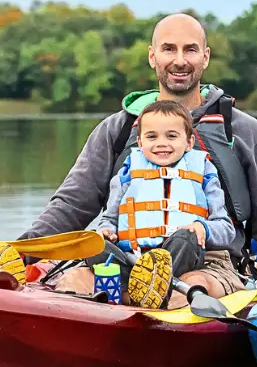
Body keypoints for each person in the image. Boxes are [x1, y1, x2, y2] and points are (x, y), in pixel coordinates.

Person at [0, 13, 257, 309]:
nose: (180, 60)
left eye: (190, 49)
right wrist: (20, 251)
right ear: (153, 56)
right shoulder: (119, 128)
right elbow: (71, 206)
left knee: (182, 291)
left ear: (206, 57)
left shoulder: (243, 131)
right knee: (75, 279)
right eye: (169, 49)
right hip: (125, 257)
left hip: (212, 263)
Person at [88, 99, 236, 308]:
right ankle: (140, 288)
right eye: (151, 136)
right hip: (133, 259)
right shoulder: (128, 173)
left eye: (172, 136)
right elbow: (110, 218)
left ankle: (153, 289)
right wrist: (105, 231)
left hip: (179, 257)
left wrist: (203, 228)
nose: (161, 143)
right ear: (140, 143)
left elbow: (226, 229)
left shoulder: (204, 171)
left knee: (187, 237)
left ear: (189, 142)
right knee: (95, 245)